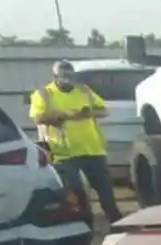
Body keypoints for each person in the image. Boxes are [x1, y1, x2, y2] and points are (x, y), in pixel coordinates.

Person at [30, 60, 122, 225]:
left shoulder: (83, 90)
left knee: (105, 189)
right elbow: (38, 118)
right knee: (75, 191)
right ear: (55, 77)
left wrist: (87, 113)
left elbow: (104, 110)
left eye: (70, 77)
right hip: (64, 151)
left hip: (92, 148)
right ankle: (84, 223)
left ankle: (116, 221)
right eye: (64, 78)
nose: (67, 81)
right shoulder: (44, 94)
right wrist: (63, 115)